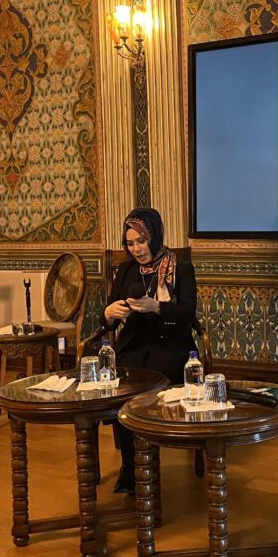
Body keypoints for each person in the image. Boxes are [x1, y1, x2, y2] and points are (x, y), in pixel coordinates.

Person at [103, 208, 197, 494]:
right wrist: (109, 313)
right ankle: (130, 467)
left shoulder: (181, 268)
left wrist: (157, 307)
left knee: (153, 381)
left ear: (154, 237)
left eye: (141, 241)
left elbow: (188, 314)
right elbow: (107, 318)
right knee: (119, 386)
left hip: (170, 345)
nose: (136, 249)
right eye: (130, 244)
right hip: (133, 346)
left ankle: (148, 462)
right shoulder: (126, 270)